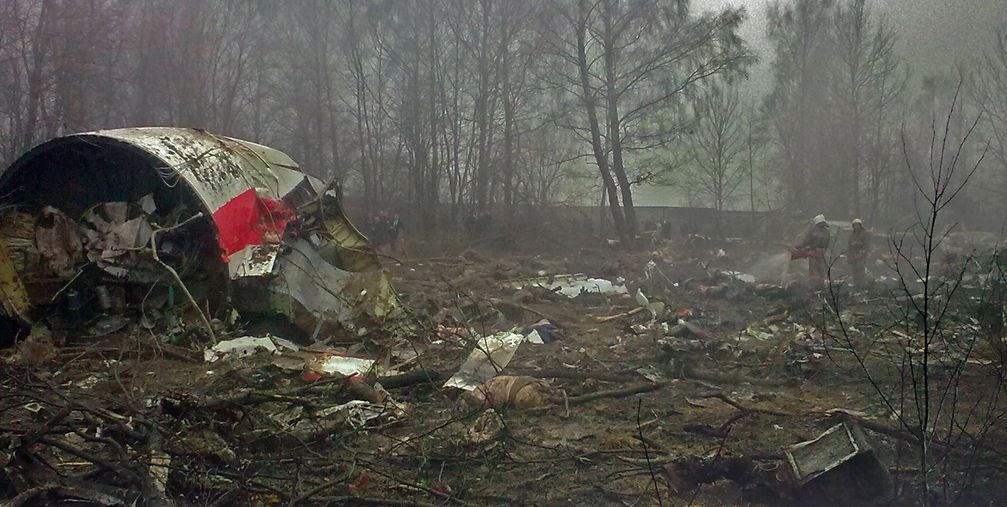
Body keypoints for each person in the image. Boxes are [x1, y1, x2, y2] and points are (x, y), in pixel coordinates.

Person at [795, 214, 830, 288]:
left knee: (816, 270)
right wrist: (802, 246)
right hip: (818, 253)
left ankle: (817, 285)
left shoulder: (817, 231)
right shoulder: (826, 232)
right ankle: (818, 285)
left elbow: (807, 240)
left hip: (817, 253)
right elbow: (807, 241)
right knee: (818, 270)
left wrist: (802, 246)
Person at [848, 218, 868, 286]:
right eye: (855, 225)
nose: (856, 227)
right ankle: (855, 283)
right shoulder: (851, 235)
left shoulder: (864, 234)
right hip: (853, 255)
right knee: (854, 270)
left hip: (860, 256)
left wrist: (861, 254)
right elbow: (849, 246)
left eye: (858, 225)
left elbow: (866, 246)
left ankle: (861, 283)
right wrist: (849, 256)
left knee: (860, 270)